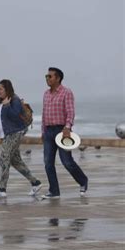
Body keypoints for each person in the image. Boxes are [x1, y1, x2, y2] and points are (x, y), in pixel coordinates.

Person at [41, 67, 88, 199]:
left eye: (50, 76)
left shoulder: (66, 93)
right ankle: (54, 191)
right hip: (48, 131)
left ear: (58, 78)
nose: (47, 79)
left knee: (67, 162)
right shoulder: (46, 94)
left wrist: (67, 127)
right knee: (48, 163)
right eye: (46, 76)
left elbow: (70, 112)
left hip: (62, 131)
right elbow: (44, 113)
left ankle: (83, 181)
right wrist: (43, 131)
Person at [0, 79, 42, 198]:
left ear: (7, 89)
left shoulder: (15, 100)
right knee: (15, 161)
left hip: (15, 132)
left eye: (0, 89)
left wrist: (7, 105)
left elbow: (15, 117)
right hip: (7, 134)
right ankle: (35, 183)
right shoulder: (0, 102)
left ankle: (1, 189)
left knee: (4, 157)